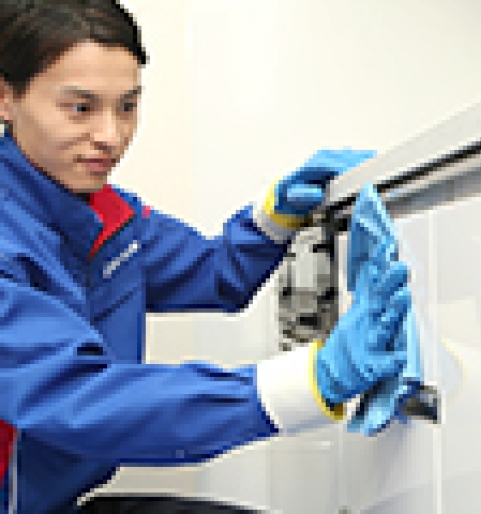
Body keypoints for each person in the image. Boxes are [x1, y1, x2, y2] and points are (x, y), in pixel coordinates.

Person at [0, 1, 412, 512]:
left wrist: (273, 217)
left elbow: (214, 275)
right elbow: (78, 398)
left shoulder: (106, 215)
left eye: (127, 107)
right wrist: (312, 381)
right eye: (81, 108)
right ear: (6, 97)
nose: (111, 136)